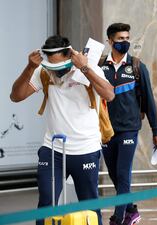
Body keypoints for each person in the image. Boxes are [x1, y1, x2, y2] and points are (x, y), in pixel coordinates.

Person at [10, 35, 115, 225]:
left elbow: (109, 94)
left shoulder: (88, 69)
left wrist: (85, 68)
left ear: (70, 56)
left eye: (59, 67)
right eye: (51, 67)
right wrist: (30, 68)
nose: (55, 72)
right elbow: (16, 96)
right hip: (53, 150)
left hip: (86, 150)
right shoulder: (43, 71)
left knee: (89, 207)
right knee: (47, 204)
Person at [100, 23, 157, 225]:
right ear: (109, 41)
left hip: (129, 129)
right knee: (114, 174)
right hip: (106, 131)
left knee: (122, 173)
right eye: (120, 39)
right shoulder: (100, 66)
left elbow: (149, 100)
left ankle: (118, 219)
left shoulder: (137, 66)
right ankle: (131, 210)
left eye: (127, 38)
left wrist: (156, 130)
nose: (125, 42)